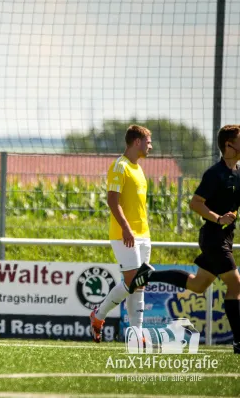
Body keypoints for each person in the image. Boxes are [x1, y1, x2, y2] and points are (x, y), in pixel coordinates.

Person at [130, 125, 240, 354]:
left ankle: (147, 274)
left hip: (226, 237)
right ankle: (239, 341)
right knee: (235, 283)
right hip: (213, 237)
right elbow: (195, 203)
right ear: (229, 145)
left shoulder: (238, 172)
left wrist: (230, 216)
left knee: (198, 285)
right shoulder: (214, 174)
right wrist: (219, 218)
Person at [89, 125, 153, 342]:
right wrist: (126, 228)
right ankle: (98, 314)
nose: (150, 146)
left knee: (139, 283)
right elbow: (112, 200)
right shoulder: (120, 166)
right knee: (133, 279)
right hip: (124, 233)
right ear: (137, 142)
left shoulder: (139, 168)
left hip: (143, 234)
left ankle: (136, 334)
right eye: (148, 141)